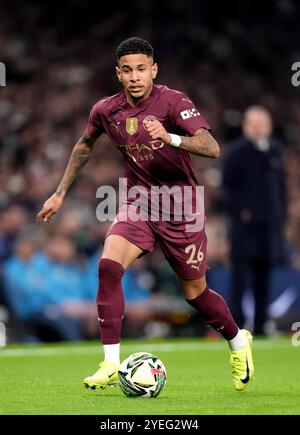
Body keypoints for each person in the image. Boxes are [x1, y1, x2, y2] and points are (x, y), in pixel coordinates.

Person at [36, 37, 254, 391]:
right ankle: (110, 362)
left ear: (153, 70)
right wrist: (60, 193)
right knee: (108, 266)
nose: (135, 76)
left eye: (141, 69)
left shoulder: (174, 101)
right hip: (139, 203)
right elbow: (84, 145)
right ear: (118, 74)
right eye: (127, 70)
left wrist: (171, 138)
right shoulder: (106, 110)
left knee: (195, 294)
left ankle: (237, 341)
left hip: (182, 207)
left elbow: (211, 148)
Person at [222, 106, 286, 335]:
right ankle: (236, 326)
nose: (259, 128)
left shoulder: (275, 150)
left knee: (263, 277)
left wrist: (282, 215)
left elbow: (281, 188)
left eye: (262, 123)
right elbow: (227, 189)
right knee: (239, 277)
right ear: (246, 126)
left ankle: (260, 324)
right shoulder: (237, 152)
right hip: (244, 229)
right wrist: (241, 211)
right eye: (255, 123)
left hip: (269, 228)